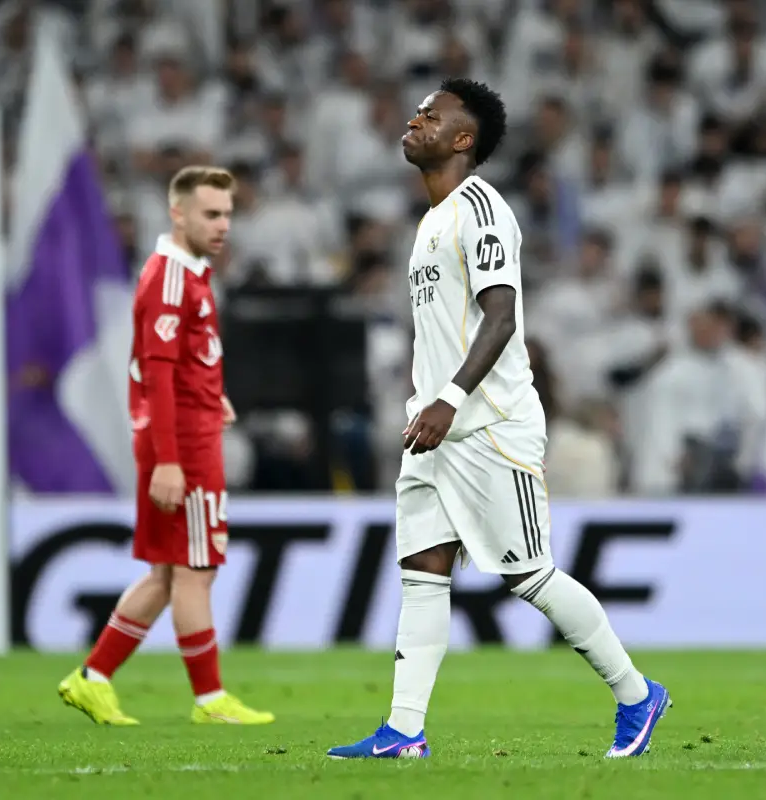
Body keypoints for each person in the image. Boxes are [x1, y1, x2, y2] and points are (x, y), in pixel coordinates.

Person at [327, 79, 669, 760]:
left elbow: (503, 315)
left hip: (486, 423)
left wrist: (450, 399)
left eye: (432, 116)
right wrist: (432, 404)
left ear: (464, 140)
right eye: (416, 112)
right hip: (432, 427)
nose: (413, 120)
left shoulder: (481, 208)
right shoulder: (431, 221)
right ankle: (404, 730)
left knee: (529, 576)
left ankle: (636, 695)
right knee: (423, 573)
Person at [57, 166, 274, 726]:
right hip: (182, 446)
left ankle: (93, 678)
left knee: (166, 574)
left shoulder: (186, 273)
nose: (223, 225)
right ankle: (210, 700)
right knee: (196, 571)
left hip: (182, 431)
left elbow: (177, 362)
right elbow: (154, 371)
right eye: (210, 214)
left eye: (227, 214)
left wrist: (210, 394)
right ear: (177, 214)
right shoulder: (172, 277)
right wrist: (171, 461)